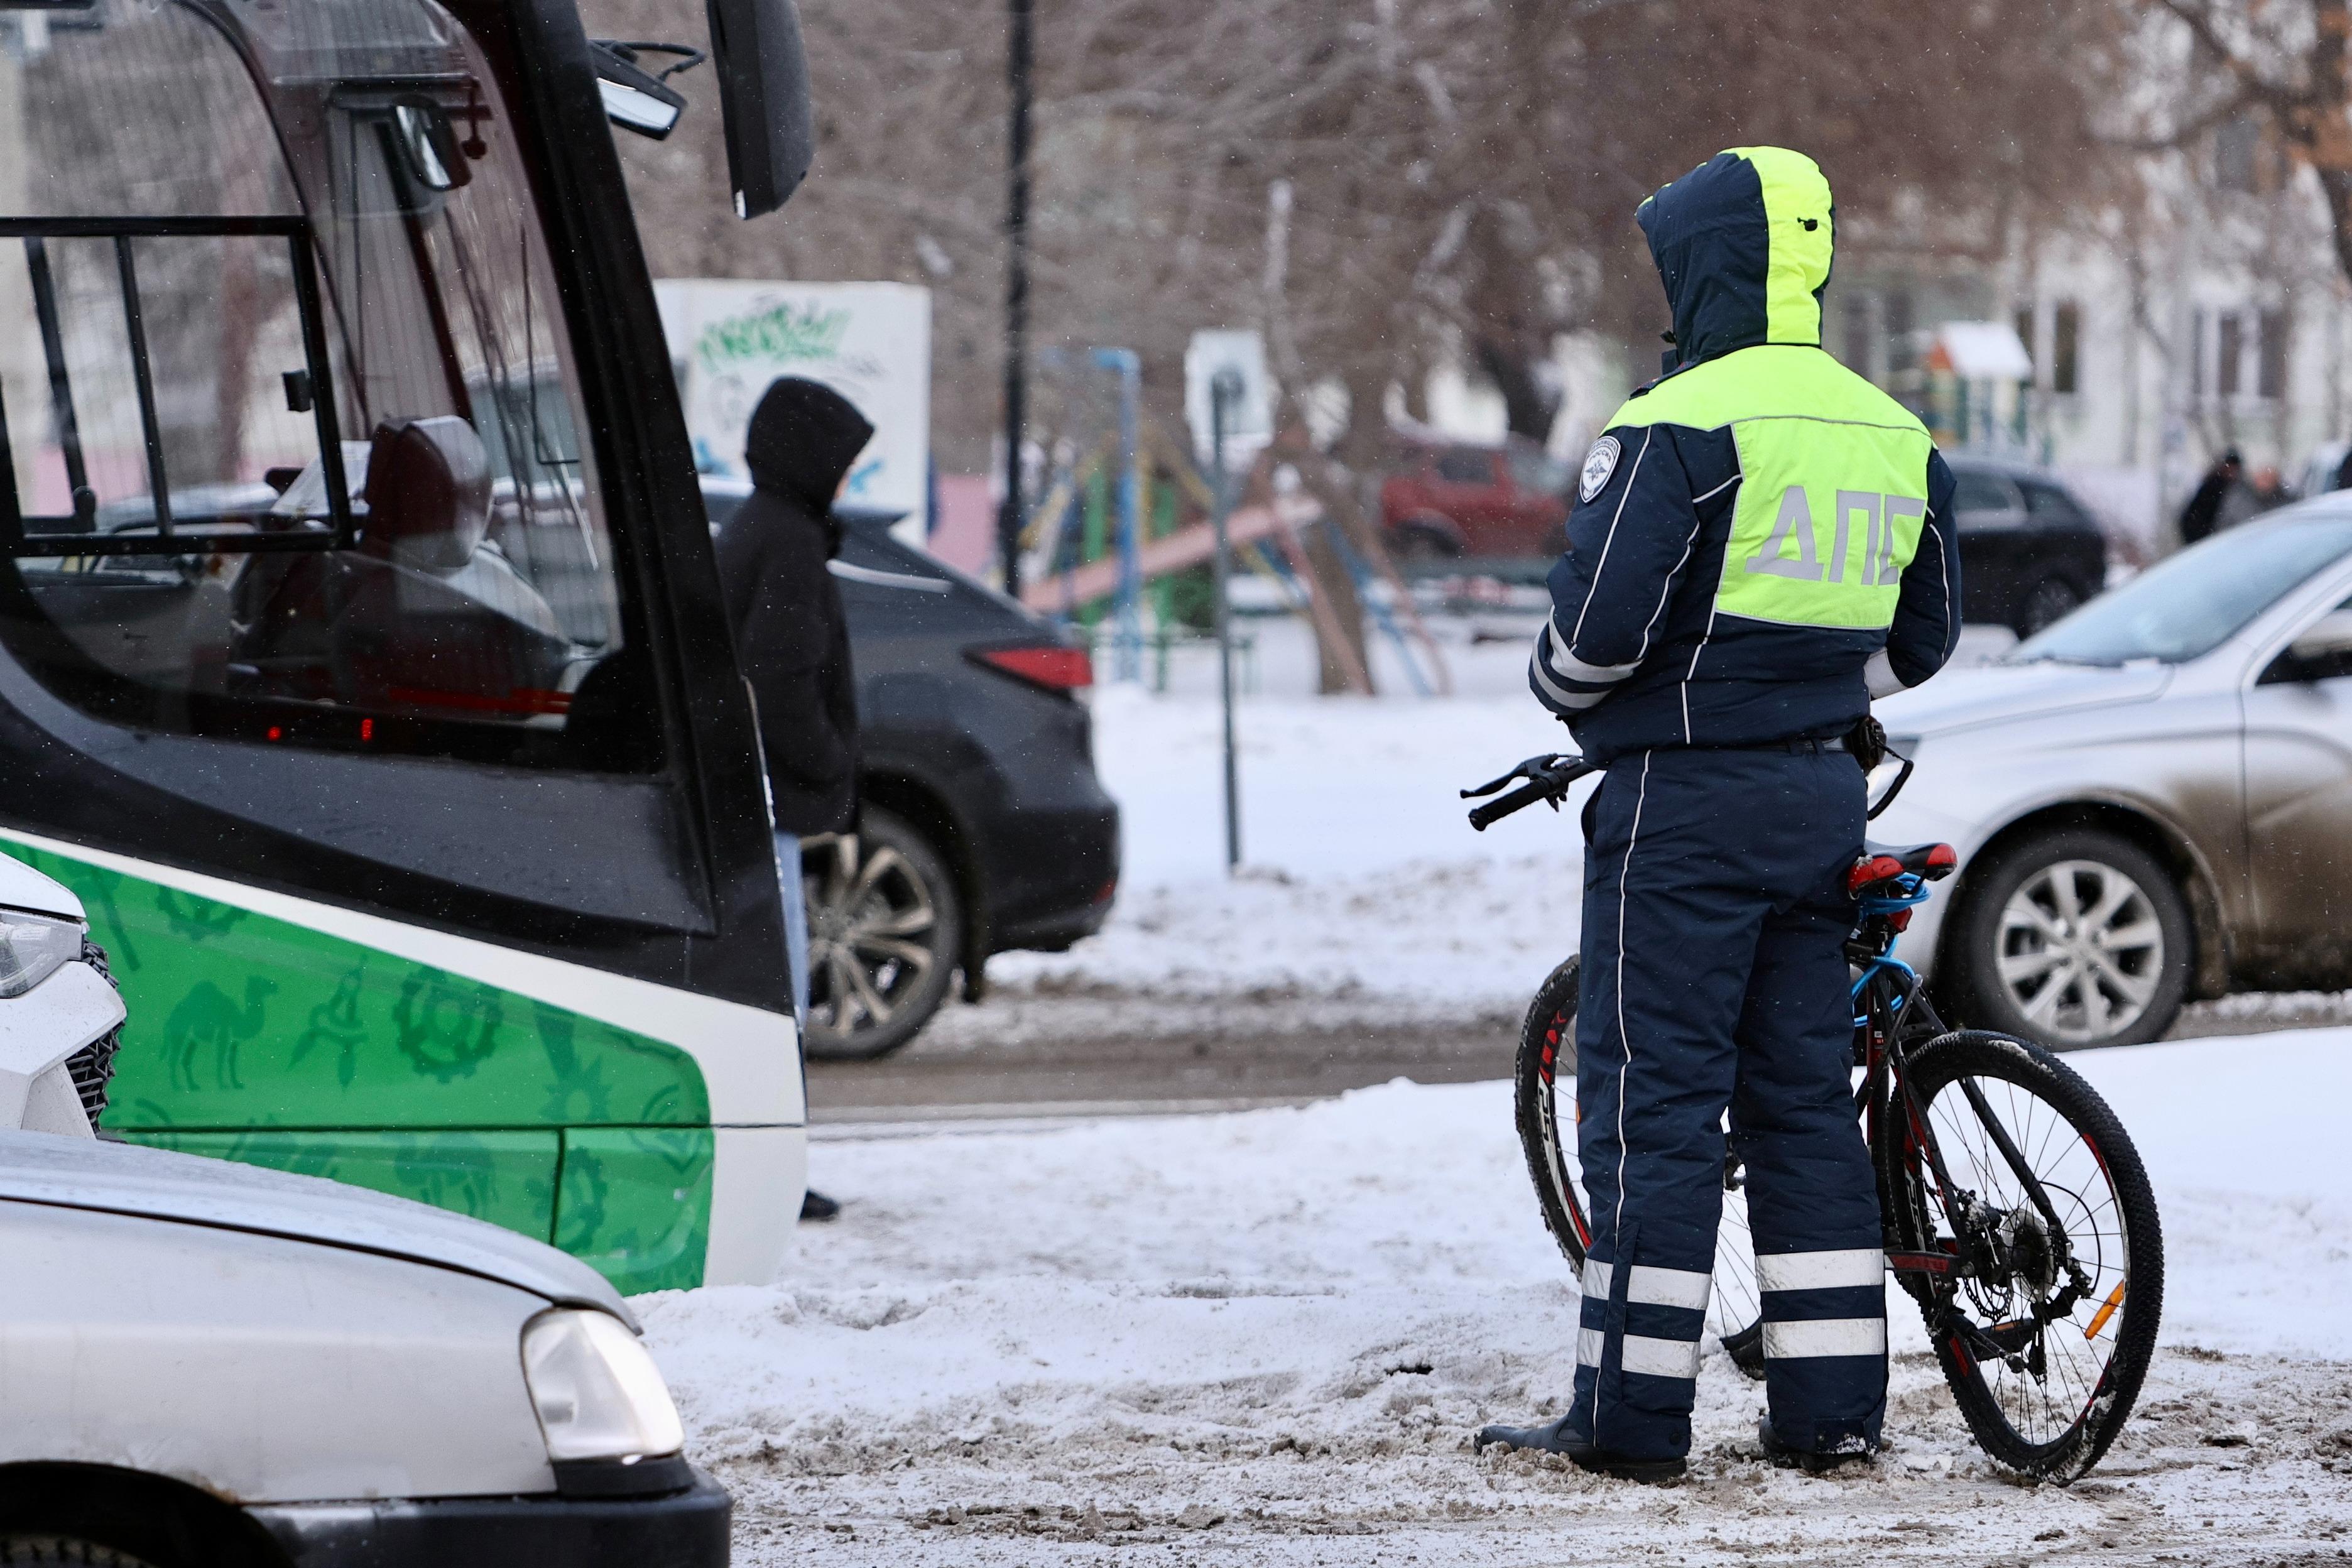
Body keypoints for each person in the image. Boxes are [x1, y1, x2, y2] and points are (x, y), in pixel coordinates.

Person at [1473, 148, 1961, 1481]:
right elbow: (1924, 642)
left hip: (1681, 808)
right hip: (1822, 795)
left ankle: (1628, 1423)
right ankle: (1831, 1415)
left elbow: (1588, 644)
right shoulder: (1892, 428)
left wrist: (1672, 697)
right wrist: (1800, 690)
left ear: (1705, 265)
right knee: (1805, 1104)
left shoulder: (1679, 423)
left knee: (1658, 1105)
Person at [713, 376, 873, 1226]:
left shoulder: (767, 529)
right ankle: (773, 1170)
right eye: (843, 461)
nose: (847, 479)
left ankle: (772, 1162)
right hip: (766, 800)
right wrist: (830, 755)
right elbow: (781, 677)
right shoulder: (789, 541)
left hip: (751, 794)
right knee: (780, 997)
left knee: (773, 990)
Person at [2177, 449, 2243, 546]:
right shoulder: (2214, 485)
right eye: (2230, 467)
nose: (2232, 472)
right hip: (2203, 534)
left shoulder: (2227, 486)